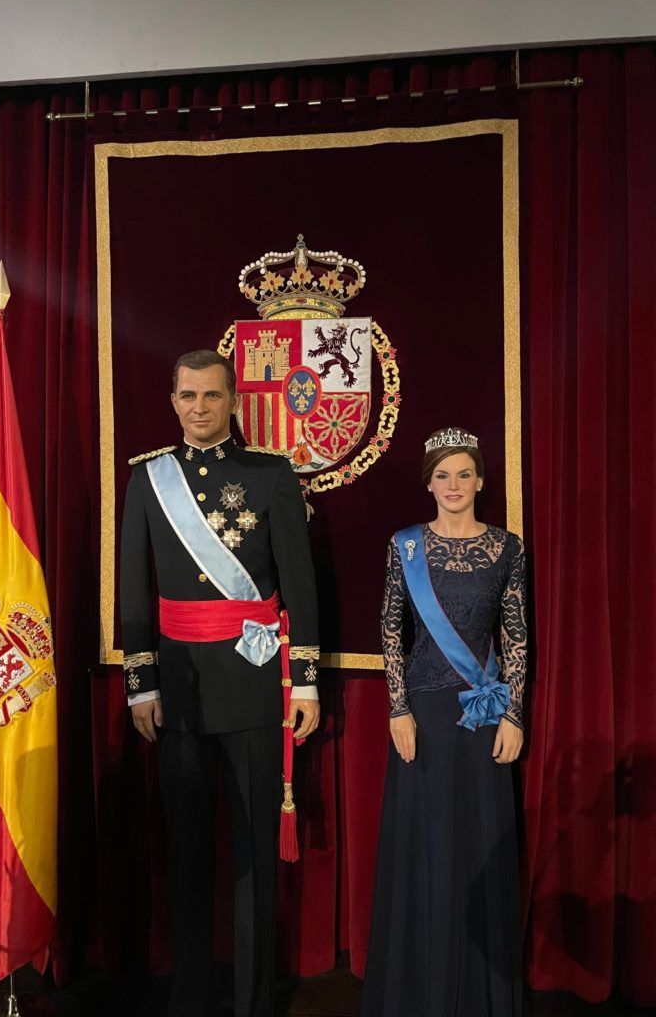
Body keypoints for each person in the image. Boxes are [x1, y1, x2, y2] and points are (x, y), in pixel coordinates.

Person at [120, 349, 320, 1017]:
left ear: (233, 400)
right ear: (172, 400)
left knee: (257, 861)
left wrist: (307, 684)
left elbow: (299, 582)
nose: (199, 409)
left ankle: (255, 1004)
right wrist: (140, 684)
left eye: (211, 396)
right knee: (186, 855)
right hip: (177, 691)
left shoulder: (271, 475)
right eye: (187, 396)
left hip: (256, 685)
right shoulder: (149, 479)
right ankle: (189, 999)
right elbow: (134, 593)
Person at [361, 426, 526, 1017]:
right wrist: (398, 709)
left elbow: (515, 634)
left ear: (480, 480)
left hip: (482, 715)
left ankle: (479, 996)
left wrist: (513, 712)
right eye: (441, 474)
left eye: (463, 473)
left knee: (478, 845)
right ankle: (419, 991)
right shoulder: (405, 545)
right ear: (428, 483)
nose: (452, 485)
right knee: (425, 847)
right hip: (425, 717)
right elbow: (390, 629)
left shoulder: (507, 548)